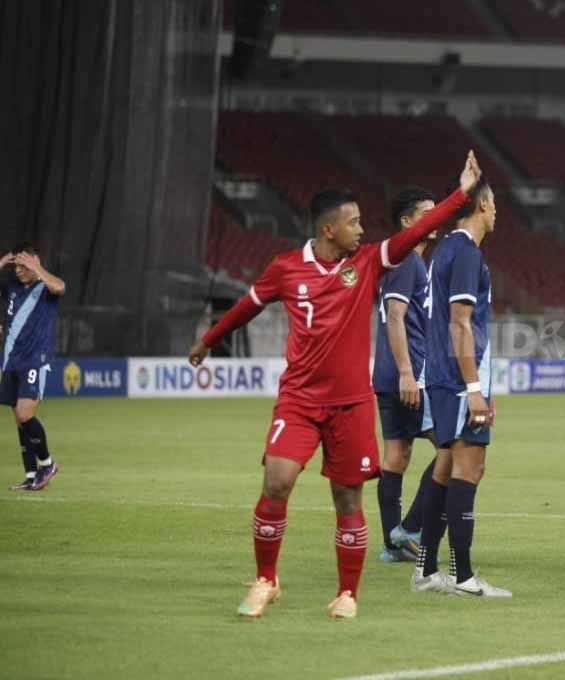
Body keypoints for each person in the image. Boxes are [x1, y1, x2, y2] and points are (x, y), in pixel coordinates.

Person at [188, 151, 482, 618]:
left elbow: (410, 235)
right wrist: (208, 340)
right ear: (328, 230)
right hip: (299, 401)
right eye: (354, 222)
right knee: (277, 480)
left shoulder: (367, 263)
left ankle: (348, 592)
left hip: (350, 406)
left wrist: (461, 194)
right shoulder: (286, 268)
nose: (363, 230)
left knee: (347, 497)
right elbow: (247, 306)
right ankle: (266, 579)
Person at [411, 175, 510, 597]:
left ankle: (425, 570)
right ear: (484, 206)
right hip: (456, 380)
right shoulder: (467, 254)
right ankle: (463, 576)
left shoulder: (443, 250)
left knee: (447, 467)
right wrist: (473, 388)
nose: (497, 212)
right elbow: (459, 323)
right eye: (494, 204)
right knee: (470, 469)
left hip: (446, 376)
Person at [372, 186, 444, 563]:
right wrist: (407, 373)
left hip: (391, 373)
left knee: (397, 456)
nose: (435, 219)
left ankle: (391, 544)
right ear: (406, 222)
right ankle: (409, 529)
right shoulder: (407, 261)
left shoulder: (409, 261)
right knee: (454, 446)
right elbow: (395, 317)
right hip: (407, 373)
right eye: (426, 213)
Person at [2, 244, 66, 491]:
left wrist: (37, 268)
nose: (18, 270)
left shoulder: (45, 287)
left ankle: (47, 464)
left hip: (34, 360)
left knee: (24, 414)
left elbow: (60, 286)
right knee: (19, 421)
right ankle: (30, 476)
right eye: (16, 265)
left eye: (23, 264)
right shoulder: (11, 287)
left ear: (34, 262)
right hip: (11, 361)